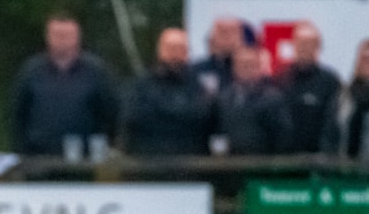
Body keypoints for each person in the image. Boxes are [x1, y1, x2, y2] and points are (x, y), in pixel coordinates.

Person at [8, 13, 120, 160]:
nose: (62, 39)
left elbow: (112, 114)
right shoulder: (30, 71)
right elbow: (17, 115)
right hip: (37, 163)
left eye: (67, 35)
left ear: (78, 37)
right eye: (57, 34)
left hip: (85, 165)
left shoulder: (97, 72)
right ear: (47, 36)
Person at [124, 27, 212, 157]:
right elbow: (134, 119)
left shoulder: (198, 85)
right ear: (160, 50)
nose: (175, 54)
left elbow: (203, 117)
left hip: (191, 164)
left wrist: (164, 111)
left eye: (181, 49)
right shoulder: (142, 85)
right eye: (171, 48)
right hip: (149, 163)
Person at [211, 44, 292, 155]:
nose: (246, 69)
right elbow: (217, 131)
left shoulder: (273, 98)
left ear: (259, 67)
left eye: (250, 65)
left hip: (261, 164)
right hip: (230, 165)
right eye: (242, 65)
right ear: (234, 68)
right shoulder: (223, 98)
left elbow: (282, 136)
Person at [275, 21, 340, 155]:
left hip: (317, 158)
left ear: (318, 47)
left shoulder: (329, 81)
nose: (304, 48)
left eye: (309, 43)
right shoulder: (280, 78)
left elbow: (331, 123)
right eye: (300, 43)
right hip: (284, 159)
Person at [191, 16, 244, 96]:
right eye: (223, 32)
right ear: (212, 38)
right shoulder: (197, 70)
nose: (228, 37)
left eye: (233, 32)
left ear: (241, 37)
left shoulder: (251, 70)